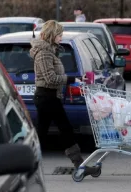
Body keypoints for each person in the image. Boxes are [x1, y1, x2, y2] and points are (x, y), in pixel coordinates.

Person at [30, 20, 98, 174]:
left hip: (50, 96)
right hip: (47, 97)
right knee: (65, 130)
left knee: (41, 133)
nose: (61, 37)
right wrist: (72, 79)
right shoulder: (43, 54)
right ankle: (79, 165)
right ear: (52, 35)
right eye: (59, 35)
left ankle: (25, 165)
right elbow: (50, 78)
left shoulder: (50, 51)